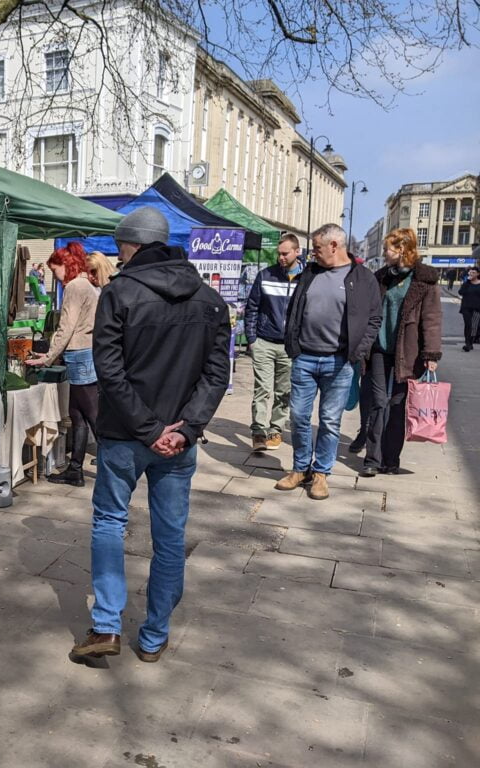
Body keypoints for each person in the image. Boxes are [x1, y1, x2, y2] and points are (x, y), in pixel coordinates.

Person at [71, 207, 230, 662]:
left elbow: (109, 371)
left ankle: (106, 626)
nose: (118, 253)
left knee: (109, 522)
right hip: (177, 438)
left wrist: (148, 429)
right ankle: (155, 634)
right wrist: (184, 429)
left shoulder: (119, 294)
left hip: (127, 433)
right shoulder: (208, 299)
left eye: (121, 245)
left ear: (133, 246)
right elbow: (217, 375)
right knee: (169, 536)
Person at [274, 224, 381, 500]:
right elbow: (296, 307)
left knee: (330, 421)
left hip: (339, 361)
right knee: (298, 417)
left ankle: (321, 474)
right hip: (305, 358)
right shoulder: (310, 273)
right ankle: (300, 469)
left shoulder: (363, 277)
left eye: (318, 248)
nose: (313, 254)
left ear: (334, 246)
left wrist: (358, 351)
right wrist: (293, 344)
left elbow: (373, 319)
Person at [360, 229, 442, 477]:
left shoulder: (424, 280)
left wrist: (431, 354)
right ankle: (372, 459)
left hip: (408, 352)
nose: (384, 253)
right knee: (378, 403)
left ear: (403, 250)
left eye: (388, 249)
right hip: (378, 349)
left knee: (397, 405)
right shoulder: (381, 277)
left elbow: (432, 319)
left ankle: (391, 460)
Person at [26, 242, 100, 486]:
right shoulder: (85, 284)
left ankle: (114, 466)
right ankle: (75, 469)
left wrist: (48, 356)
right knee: (78, 416)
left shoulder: (75, 287)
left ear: (65, 266)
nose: (54, 277)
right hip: (82, 354)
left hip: (81, 354)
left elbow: (65, 327)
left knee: (92, 416)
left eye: (54, 270)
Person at [243, 233, 303, 452]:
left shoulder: (306, 279)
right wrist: (252, 339)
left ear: (297, 252)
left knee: (283, 391)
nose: (281, 257)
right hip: (264, 342)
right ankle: (258, 432)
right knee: (262, 389)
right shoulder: (266, 275)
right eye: (279, 253)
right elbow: (252, 308)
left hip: (290, 346)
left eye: (285, 253)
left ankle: (275, 429)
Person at [459, 267, 480, 351]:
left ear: (478, 274)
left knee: (474, 326)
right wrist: (467, 282)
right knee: (468, 325)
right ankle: (467, 343)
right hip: (466, 307)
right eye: (470, 272)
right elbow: (460, 292)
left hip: (477, 309)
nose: (471, 274)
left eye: (473, 272)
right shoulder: (467, 283)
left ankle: (470, 343)